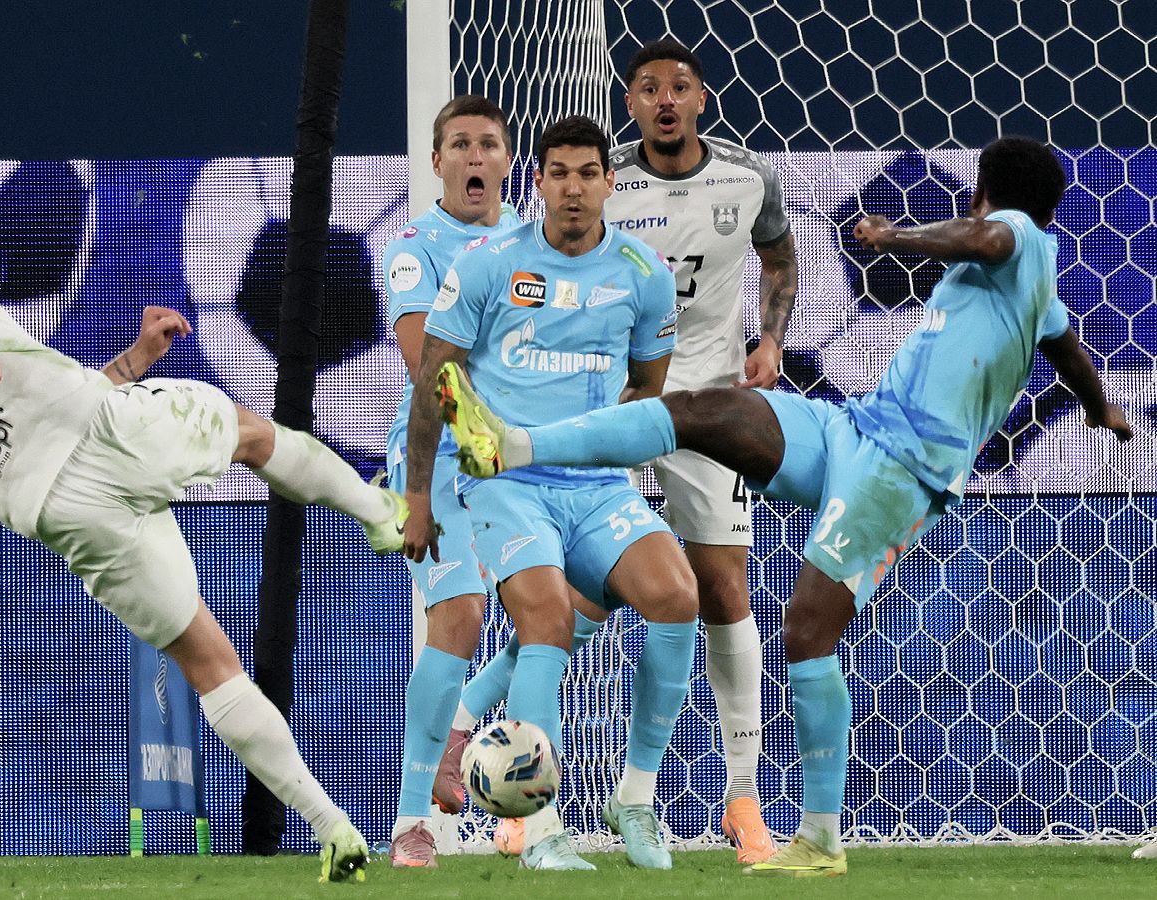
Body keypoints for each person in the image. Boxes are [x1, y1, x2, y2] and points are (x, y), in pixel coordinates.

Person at [435, 136, 1133, 876]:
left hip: (903, 470)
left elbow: (989, 236)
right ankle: (518, 446)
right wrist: (1102, 409)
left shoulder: (1015, 236)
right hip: (854, 429)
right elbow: (1067, 348)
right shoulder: (1037, 284)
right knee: (706, 410)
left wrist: (895, 236)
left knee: (805, 631)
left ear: (981, 190)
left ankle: (820, 839)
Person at [0, 181, 412, 884]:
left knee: (210, 663)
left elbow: (35, 404)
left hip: (58, 511)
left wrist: (136, 359)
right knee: (247, 432)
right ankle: (380, 513)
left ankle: (333, 829)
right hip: (96, 437)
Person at [441, 37, 797, 864]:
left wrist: (772, 336)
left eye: (680, 86)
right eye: (648, 88)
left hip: (708, 409)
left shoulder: (748, 177)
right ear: (629, 103)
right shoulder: (604, 185)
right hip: (611, 418)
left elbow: (780, 255)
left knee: (715, 589)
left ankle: (740, 800)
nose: (665, 99)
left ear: (701, 97)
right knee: (570, 607)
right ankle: (511, 784)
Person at [402, 116, 699, 871]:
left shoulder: (644, 272)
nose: (573, 187)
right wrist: (419, 497)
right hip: (506, 484)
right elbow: (435, 380)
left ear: (609, 182)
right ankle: (539, 831)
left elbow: (647, 391)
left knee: (677, 597)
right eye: (558, 173)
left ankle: (635, 799)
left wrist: (607, 452)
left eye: (587, 173)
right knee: (547, 617)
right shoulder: (487, 264)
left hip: (597, 487)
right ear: (536, 182)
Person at [381, 95, 522, 868]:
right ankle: (412, 822)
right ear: (436, 162)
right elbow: (425, 367)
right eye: (459, 144)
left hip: (521, 455)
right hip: (439, 458)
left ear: (507, 161)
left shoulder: (536, 244)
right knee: (463, 612)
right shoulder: (415, 249)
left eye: (487, 144)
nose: (474, 156)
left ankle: (462, 719)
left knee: (578, 603)